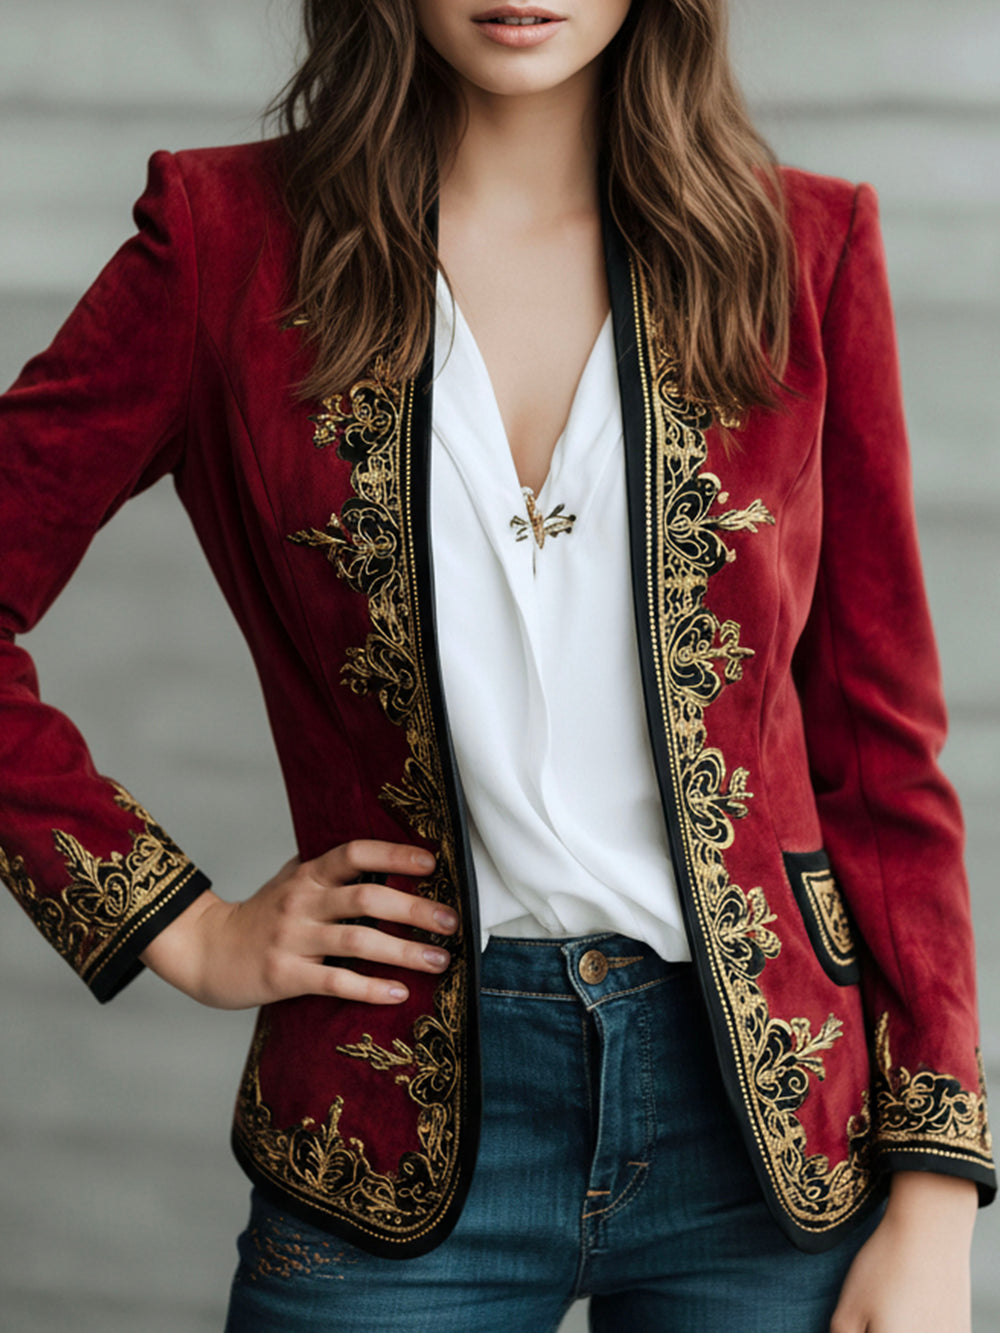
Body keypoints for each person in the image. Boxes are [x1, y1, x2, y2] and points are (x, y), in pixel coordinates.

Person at [0, 1, 993, 1329]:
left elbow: (879, 750)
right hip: (385, 1121)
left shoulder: (800, 252)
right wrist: (182, 926)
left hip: (767, 1130)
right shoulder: (224, 245)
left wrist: (935, 1192)